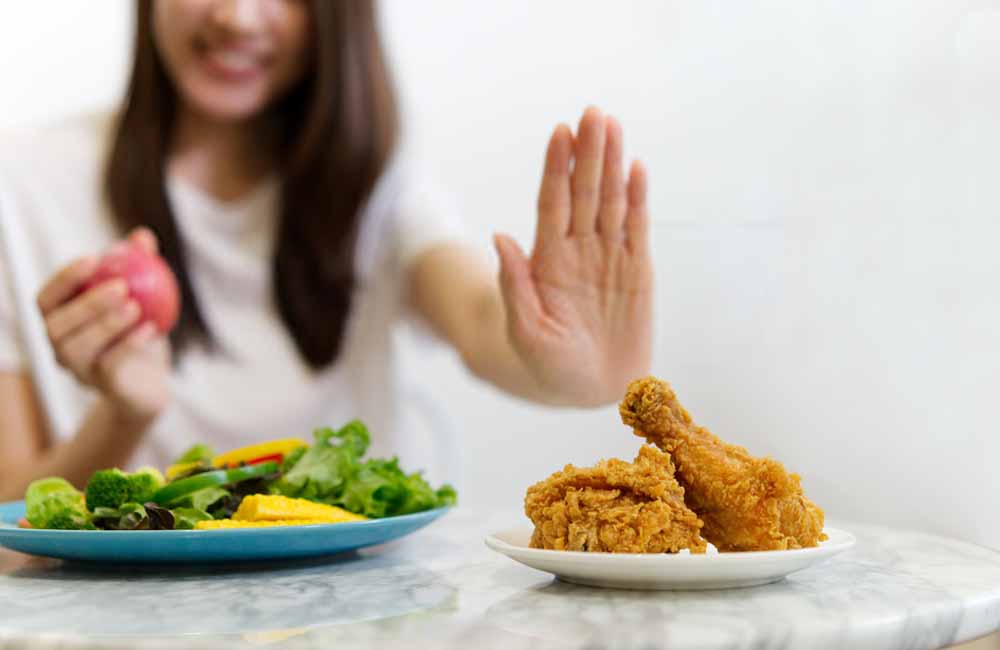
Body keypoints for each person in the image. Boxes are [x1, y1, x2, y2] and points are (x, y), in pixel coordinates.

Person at [0, 0, 652, 500]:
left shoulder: (376, 182)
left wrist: (572, 366)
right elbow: (10, 531)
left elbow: (483, 321)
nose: (237, 16)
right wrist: (122, 416)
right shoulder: (24, 182)